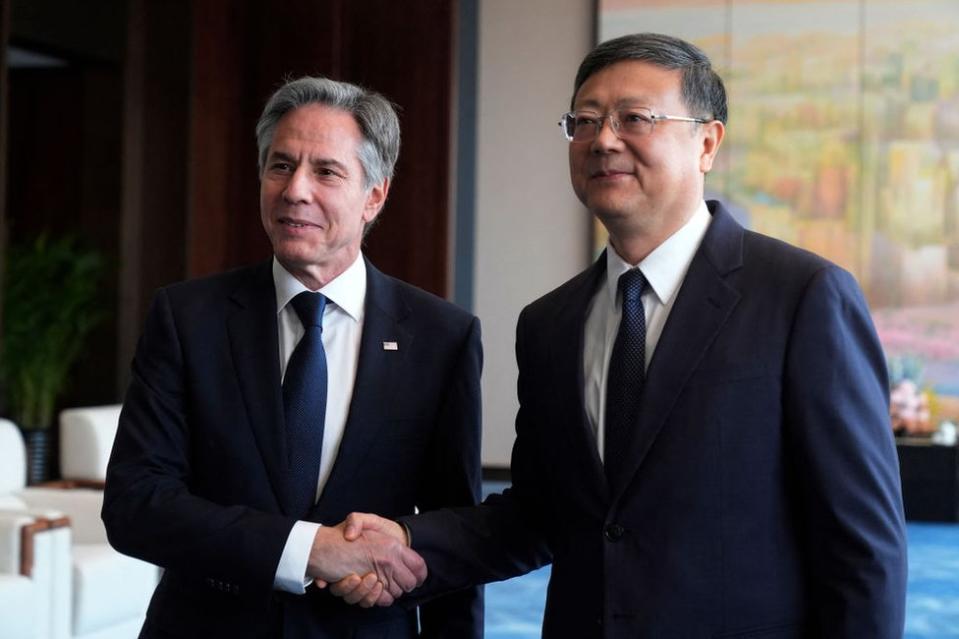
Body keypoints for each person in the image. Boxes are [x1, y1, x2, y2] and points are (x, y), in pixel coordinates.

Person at [333, 33, 909, 638]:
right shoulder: (549, 324)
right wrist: (403, 541)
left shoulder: (803, 296)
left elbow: (863, 549)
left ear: (707, 142)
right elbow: (539, 516)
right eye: (584, 121)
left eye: (636, 118)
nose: (604, 139)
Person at [101, 76, 484, 639]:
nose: (295, 189)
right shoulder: (188, 318)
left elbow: (458, 536)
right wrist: (307, 550)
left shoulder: (441, 336)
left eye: (326, 171)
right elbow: (136, 505)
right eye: (280, 166)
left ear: (374, 195)